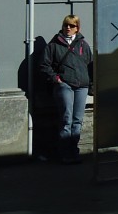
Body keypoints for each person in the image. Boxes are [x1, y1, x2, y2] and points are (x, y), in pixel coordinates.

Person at [39, 14, 93, 164]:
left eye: (72, 25)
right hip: (65, 85)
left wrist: (91, 85)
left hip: (81, 86)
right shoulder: (54, 45)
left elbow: (91, 65)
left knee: (78, 120)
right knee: (66, 119)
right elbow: (44, 65)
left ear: (77, 28)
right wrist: (56, 79)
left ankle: (74, 151)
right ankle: (65, 153)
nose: (68, 28)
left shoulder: (83, 45)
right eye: (66, 25)